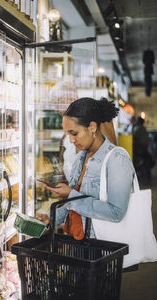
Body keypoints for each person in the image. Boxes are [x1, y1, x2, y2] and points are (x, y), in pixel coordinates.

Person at [37, 97, 135, 241]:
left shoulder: (116, 159)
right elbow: (73, 204)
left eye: (74, 133)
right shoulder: (80, 158)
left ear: (92, 127)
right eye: (68, 134)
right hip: (78, 243)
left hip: (102, 248)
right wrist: (51, 219)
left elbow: (116, 212)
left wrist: (71, 194)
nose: (71, 140)